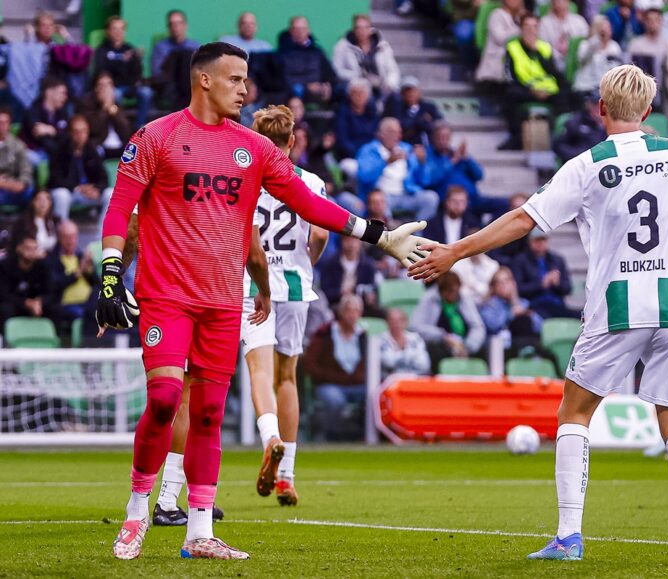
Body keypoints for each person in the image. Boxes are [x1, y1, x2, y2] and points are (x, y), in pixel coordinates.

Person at [408, 64, 668, 562]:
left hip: (618, 305)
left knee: (575, 412)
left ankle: (569, 536)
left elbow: (522, 220)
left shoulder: (587, 164)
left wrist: (456, 251)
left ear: (601, 109)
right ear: (649, 112)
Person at [98, 42, 429, 561]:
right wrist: (110, 272)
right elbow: (120, 209)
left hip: (224, 300)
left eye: (246, 80)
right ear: (204, 80)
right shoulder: (156, 136)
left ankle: (199, 531)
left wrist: (379, 236)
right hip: (166, 296)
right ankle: (138, 509)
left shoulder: (253, 148)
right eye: (235, 79)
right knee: (165, 400)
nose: (245, 89)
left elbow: (308, 202)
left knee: (208, 415)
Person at [239, 105, 330, 506]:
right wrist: (305, 262)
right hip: (295, 286)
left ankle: (268, 436)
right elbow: (323, 234)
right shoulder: (310, 181)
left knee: (255, 369)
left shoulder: (247, 179)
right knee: (287, 376)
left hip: (252, 285)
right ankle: (287, 477)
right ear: (291, 141)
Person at [302, 294, 368, 440]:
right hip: (329, 384)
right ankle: (333, 437)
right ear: (340, 312)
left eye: (356, 311)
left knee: (373, 396)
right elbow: (309, 364)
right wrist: (333, 377)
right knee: (334, 400)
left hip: (356, 385)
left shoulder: (364, 336)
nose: (352, 315)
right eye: (349, 311)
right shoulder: (324, 334)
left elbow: (369, 365)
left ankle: (364, 436)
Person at [501, 14, 569, 151]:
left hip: (548, 91)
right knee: (510, 94)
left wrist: (537, 54)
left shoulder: (545, 48)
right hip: (525, 90)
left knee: (569, 95)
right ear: (521, 29)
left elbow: (555, 73)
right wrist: (530, 90)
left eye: (534, 27)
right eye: (527, 26)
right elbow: (509, 77)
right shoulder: (512, 47)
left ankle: (559, 138)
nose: (531, 30)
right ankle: (516, 138)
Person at [355, 117, 440, 221]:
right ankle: (387, 234)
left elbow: (424, 181)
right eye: (392, 132)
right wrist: (386, 162)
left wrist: (422, 163)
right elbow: (364, 177)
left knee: (431, 198)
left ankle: (416, 232)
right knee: (380, 202)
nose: (397, 136)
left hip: (406, 194)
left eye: (399, 132)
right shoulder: (369, 150)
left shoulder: (407, 149)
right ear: (381, 134)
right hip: (383, 195)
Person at [410, 271, 486, 372]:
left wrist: (468, 346)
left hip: (464, 344)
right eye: (450, 291)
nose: (454, 294)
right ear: (442, 291)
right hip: (441, 344)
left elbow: (477, 326)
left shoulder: (464, 298)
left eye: (456, 290)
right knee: (434, 350)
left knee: (484, 349)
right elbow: (415, 326)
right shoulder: (429, 298)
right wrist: (442, 336)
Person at [48, 115, 111, 221]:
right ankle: (62, 232)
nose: (80, 135)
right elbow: (55, 180)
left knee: (111, 194)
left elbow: (104, 178)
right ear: (70, 133)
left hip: (89, 193)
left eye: (83, 131)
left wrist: (97, 189)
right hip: (70, 192)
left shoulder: (93, 150)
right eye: (76, 132)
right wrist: (78, 188)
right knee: (61, 195)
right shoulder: (59, 150)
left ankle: (103, 234)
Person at [92, 16, 152, 128]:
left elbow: (136, 74)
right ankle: (121, 125)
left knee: (146, 92)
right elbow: (101, 71)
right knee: (117, 95)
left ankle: (139, 126)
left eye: (121, 29)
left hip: (129, 86)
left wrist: (137, 60)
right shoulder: (102, 50)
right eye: (114, 29)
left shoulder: (129, 48)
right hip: (113, 87)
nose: (118, 32)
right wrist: (121, 62)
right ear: (108, 31)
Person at [0, 235, 65, 328]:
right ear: (19, 248)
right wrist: (26, 303)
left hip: (36, 304)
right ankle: (6, 341)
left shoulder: (43, 266)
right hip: (16, 303)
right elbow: (4, 294)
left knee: (55, 309)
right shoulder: (6, 266)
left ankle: (53, 340)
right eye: (28, 248)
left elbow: (50, 292)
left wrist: (39, 301)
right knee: (5, 309)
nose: (31, 252)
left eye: (34, 248)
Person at [332, 14, 401, 97]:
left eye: (365, 27)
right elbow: (337, 71)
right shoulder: (342, 46)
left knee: (396, 97)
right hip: (355, 85)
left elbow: (393, 70)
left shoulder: (383, 46)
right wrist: (358, 75)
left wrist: (389, 84)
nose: (362, 31)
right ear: (353, 30)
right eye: (358, 28)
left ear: (370, 29)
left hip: (380, 84)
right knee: (362, 95)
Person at [479, 265, 544, 352]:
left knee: (524, 320)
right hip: (500, 347)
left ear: (513, 283)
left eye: (506, 281)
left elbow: (540, 326)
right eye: (499, 283)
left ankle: (528, 351)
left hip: (525, 341)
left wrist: (516, 303)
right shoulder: (489, 304)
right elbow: (493, 326)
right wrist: (511, 314)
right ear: (494, 287)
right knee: (520, 320)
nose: (503, 285)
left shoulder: (523, 303)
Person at [276, 16, 336, 104]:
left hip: (318, 89)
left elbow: (329, 73)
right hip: (296, 91)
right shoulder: (283, 53)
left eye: (303, 29)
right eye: (296, 29)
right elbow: (283, 78)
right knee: (297, 89)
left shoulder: (317, 51)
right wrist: (307, 86)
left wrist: (327, 85)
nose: (300, 32)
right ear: (290, 31)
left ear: (308, 30)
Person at [77, 72, 133, 159]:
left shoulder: (116, 103)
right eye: (101, 85)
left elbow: (126, 130)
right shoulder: (86, 103)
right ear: (95, 88)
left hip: (120, 145)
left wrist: (114, 111)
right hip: (100, 145)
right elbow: (93, 128)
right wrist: (104, 108)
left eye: (109, 85)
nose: (106, 89)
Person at [48, 220, 95, 320]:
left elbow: (96, 283)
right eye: (66, 236)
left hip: (89, 302)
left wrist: (89, 270)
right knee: (86, 316)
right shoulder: (52, 259)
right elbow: (55, 284)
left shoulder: (81, 256)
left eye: (73, 236)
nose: (70, 240)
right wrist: (78, 271)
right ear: (59, 238)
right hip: (67, 305)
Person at [318, 235, 380, 308]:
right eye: (348, 240)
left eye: (355, 240)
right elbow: (325, 291)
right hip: (336, 304)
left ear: (360, 242)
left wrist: (358, 291)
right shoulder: (330, 263)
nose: (351, 244)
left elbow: (371, 288)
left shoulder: (368, 265)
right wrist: (341, 293)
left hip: (362, 305)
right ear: (341, 241)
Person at [383, 76, 442, 146]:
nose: (410, 94)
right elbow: (402, 125)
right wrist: (420, 121)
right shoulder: (396, 108)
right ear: (401, 94)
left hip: (426, 146)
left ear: (419, 92)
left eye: (413, 90)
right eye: (407, 91)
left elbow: (439, 123)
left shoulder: (429, 107)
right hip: (403, 145)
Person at [21, 76, 69, 163]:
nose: (65, 97)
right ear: (49, 92)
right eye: (62, 93)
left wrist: (52, 130)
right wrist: (58, 133)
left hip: (54, 152)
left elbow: (67, 135)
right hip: (33, 152)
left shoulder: (62, 113)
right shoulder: (33, 110)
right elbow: (39, 132)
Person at [334, 77, 380, 167]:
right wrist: (361, 154)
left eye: (362, 93)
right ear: (349, 95)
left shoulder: (373, 113)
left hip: (372, 155)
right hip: (351, 156)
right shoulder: (343, 113)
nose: (359, 96)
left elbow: (377, 136)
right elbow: (343, 140)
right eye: (356, 93)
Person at [573, 16, 623, 97]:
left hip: (605, 90)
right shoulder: (585, 45)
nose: (606, 31)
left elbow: (617, 69)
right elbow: (583, 59)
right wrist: (597, 39)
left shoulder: (614, 46)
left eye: (608, 28)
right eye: (602, 28)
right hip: (585, 87)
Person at [475, 0, 524, 84]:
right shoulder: (496, 15)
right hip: (495, 69)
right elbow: (501, 38)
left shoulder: (521, 17)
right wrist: (521, 31)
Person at [627, 8, 668, 95]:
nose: (653, 23)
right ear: (644, 22)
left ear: (661, 22)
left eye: (656, 20)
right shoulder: (636, 45)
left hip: (665, 91)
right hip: (640, 91)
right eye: (649, 20)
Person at [150, 10, 200, 83]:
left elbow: (200, 71)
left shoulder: (195, 46)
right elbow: (157, 73)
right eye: (172, 24)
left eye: (178, 23)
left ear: (185, 25)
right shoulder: (160, 47)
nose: (175, 27)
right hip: (167, 87)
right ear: (168, 27)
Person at [539, 0, 589, 72]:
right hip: (554, 62)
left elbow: (587, 42)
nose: (560, 2)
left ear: (568, 2)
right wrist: (558, 52)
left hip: (578, 61)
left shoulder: (579, 20)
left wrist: (571, 49)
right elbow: (543, 46)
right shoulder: (544, 22)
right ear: (552, 3)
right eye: (557, 1)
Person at [553, 97, 607, 163]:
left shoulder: (613, 124)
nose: (598, 109)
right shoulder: (575, 122)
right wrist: (579, 157)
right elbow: (559, 145)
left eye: (601, 105)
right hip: (579, 163)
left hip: (604, 164)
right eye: (595, 105)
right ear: (588, 105)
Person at [381, 307, 431, 376]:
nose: (396, 324)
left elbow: (424, 364)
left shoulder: (415, 338)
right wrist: (412, 356)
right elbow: (389, 362)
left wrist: (396, 357)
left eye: (400, 320)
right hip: (390, 381)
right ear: (386, 322)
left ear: (406, 322)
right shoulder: (382, 339)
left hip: (414, 380)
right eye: (392, 320)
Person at [0, 106, 34, 208]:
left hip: (11, 187)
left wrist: (9, 184)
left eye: (5, 122)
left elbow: (26, 173)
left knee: (29, 191)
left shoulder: (18, 146)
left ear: (9, 125)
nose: (1, 126)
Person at [10, 189, 58, 256]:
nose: (43, 202)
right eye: (39, 198)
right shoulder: (23, 222)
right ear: (32, 202)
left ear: (50, 203)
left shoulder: (57, 221)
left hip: (52, 259)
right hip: (31, 259)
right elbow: (17, 247)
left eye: (47, 199)